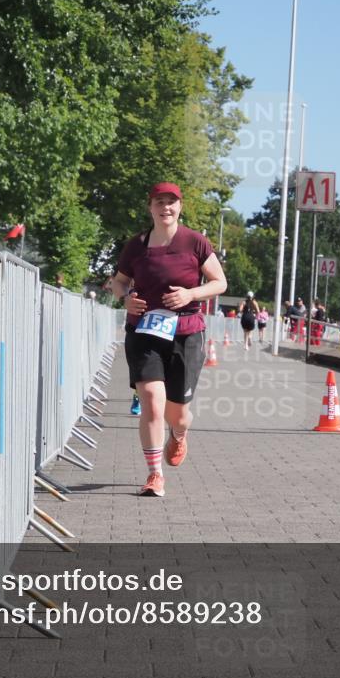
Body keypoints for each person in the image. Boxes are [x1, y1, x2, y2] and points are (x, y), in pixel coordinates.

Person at [109, 182, 227, 497]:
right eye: (159, 203)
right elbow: (118, 282)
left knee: (178, 413)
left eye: (171, 203)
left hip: (186, 334)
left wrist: (190, 293)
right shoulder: (136, 245)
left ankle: (178, 434)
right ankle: (154, 474)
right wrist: (126, 298)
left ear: (180, 207)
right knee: (151, 401)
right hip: (144, 332)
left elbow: (219, 283)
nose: (166, 208)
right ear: (150, 207)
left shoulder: (195, 242)